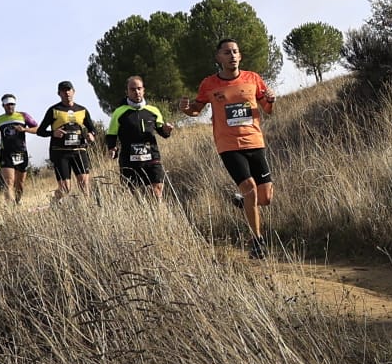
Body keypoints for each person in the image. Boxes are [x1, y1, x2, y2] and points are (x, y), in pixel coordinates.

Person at [180, 39, 276, 257]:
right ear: (218, 58)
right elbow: (196, 109)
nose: (232, 55)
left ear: (240, 56)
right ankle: (257, 241)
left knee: (265, 198)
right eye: (227, 52)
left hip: (255, 141)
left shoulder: (253, 79)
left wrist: (271, 100)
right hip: (228, 145)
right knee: (250, 188)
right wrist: (187, 110)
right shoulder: (209, 84)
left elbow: (267, 109)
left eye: (235, 52)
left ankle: (243, 203)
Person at [105, 75, 173, 202]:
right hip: (129, 159)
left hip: (151, 156)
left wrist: (166, 130)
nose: (136, 92)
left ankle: (158, 216)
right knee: (135, 195)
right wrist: (112, 148)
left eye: (139, 88)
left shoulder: (153, 110)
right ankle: (142, 217)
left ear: (143, 90)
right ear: (127, 92)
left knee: (157, 190)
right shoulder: (119, 112)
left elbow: (162, 132)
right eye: (133, 89)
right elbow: (111, 134)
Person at [36, 80, 98, 201]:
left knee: (84, 185)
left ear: (73, 92)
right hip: (60, 153)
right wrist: (53, 133)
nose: (67, 93)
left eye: (69, 90)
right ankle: (55, 200)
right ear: (59, 94)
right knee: (65, 188)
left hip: (79, 151)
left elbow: (93, 128)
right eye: (63, 91)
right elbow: (40, 131)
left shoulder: (82, 110)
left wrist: (91, 134)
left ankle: (88, 210)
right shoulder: (53, 110)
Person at [0, 94, 37, 203]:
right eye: (7, 105)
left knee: (20, 184)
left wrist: (25, 130)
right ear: (3, 105)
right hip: (6, 152)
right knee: (9, 182)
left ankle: (17, 202)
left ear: (15, 104)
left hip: (21, 152)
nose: (10, 107)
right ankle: (11, 209)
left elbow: (37, 128)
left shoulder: (23, 116)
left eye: (12, 104)